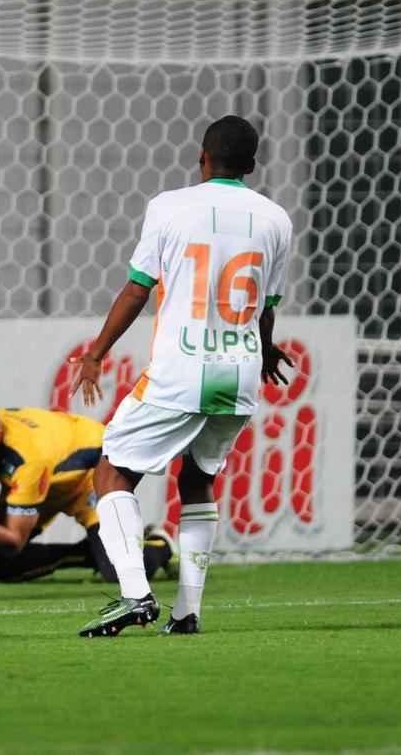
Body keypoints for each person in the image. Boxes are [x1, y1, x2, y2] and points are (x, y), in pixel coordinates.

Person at [71, 115, 294, 636]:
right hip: (239, 372)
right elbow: (266, 305)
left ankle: (134, 594)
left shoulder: (169, 206)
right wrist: (265, 350)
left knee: (113, 471)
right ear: (252, 165)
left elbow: (138, 288)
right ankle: (187, 612)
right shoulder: (276, 219)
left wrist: (97, 351)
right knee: (198, 479)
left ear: (202, 157)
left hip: (182, 369)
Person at [0, 396, 175, 583]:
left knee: (119, 572)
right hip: (42, 483)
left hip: (89, 471)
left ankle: (159, 544)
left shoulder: (26, 457)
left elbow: (14, 541)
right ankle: (87, 553)